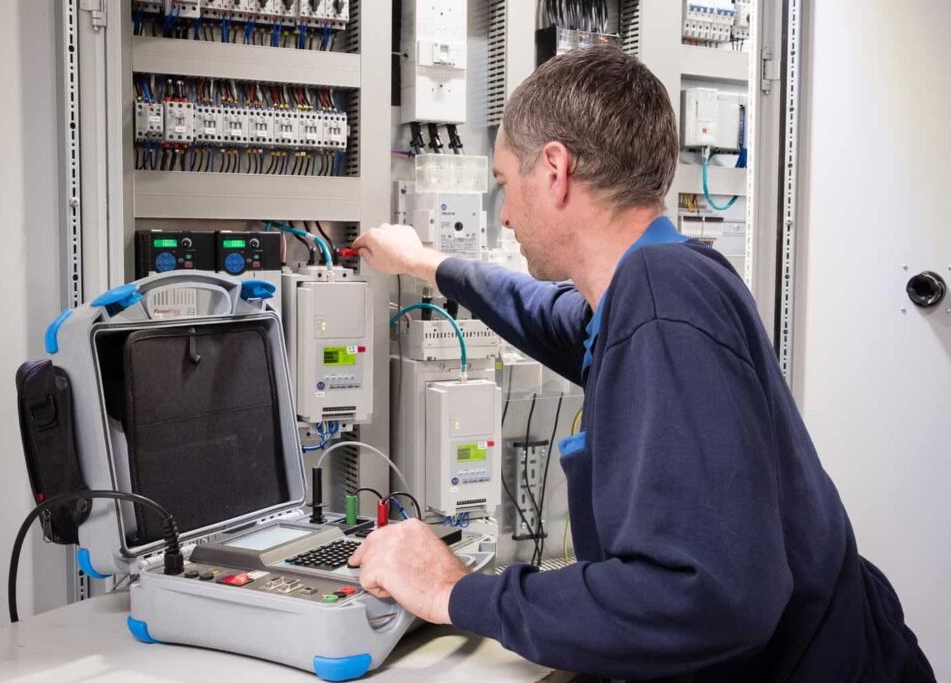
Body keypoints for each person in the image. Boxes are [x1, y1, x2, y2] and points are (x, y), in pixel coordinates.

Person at [347, 45, 935, 682]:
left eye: (504, 185)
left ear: (554, 169)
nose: (507, 214)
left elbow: (709, 598)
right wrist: (424, 263)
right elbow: (548, 314)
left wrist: (454, 591)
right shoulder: (669, 276)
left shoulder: (661, 297)